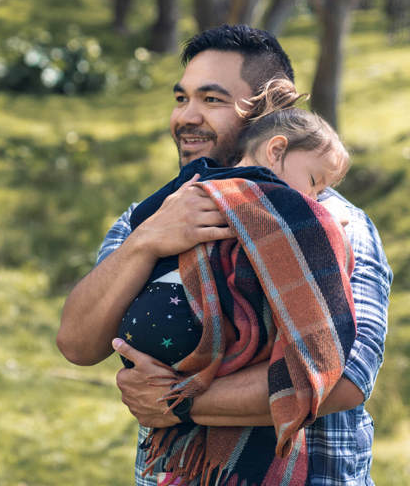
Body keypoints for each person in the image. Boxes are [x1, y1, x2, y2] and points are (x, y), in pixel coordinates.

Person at [56, 25, 392, 485]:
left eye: (212, 100)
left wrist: (181, 401)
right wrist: (148, 240)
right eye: (181, 99)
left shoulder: (328, 223)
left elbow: (345, 377)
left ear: (269, 109)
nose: (187, 117)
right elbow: (78, 344)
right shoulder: (153, 214)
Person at [116, 86, 356, 485]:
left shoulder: (195, 181)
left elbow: (143, 216)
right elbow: (315, 237)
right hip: (193, 325)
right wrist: (327, 224)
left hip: (142, 334)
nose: (314, 198)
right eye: (314, 181)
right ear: (275, 151)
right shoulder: (278, 200)